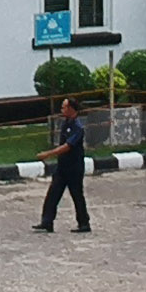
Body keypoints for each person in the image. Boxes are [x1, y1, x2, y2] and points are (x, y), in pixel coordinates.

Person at [36, 94, 93, 233]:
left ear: (72, 109)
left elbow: (67, 146)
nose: (62, 109)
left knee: (77, 195)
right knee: (53, 194)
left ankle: (84, 223)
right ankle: (47, 222)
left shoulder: (77, 127)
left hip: (74, 167)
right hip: (63, 166)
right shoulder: (65, 123)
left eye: (64, 106)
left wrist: (48, 154)